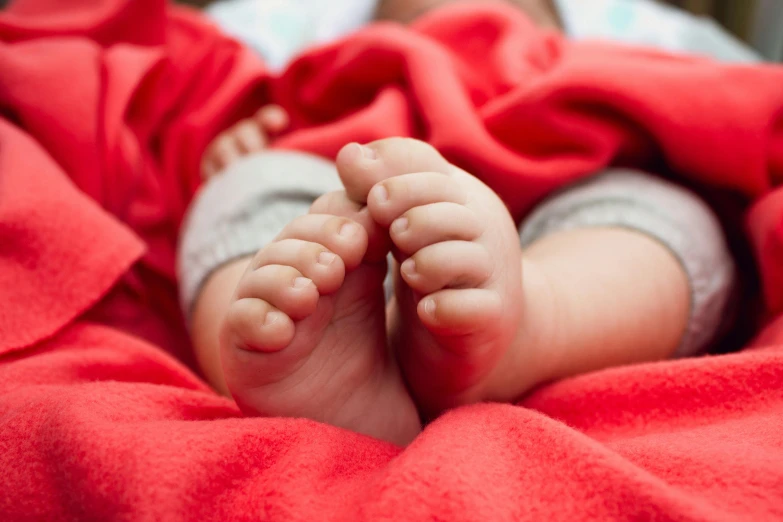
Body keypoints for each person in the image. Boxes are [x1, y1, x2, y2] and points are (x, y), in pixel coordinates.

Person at [178, 0, 736, 445]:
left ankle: (527, 327)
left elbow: (726, 101)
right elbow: (214, 82)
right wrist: (242, 140)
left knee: (650, 212)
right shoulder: (301, 17)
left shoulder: (626, 24)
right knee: (254, 186)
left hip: (569, 175)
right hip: (348, 187)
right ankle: (293, 353)